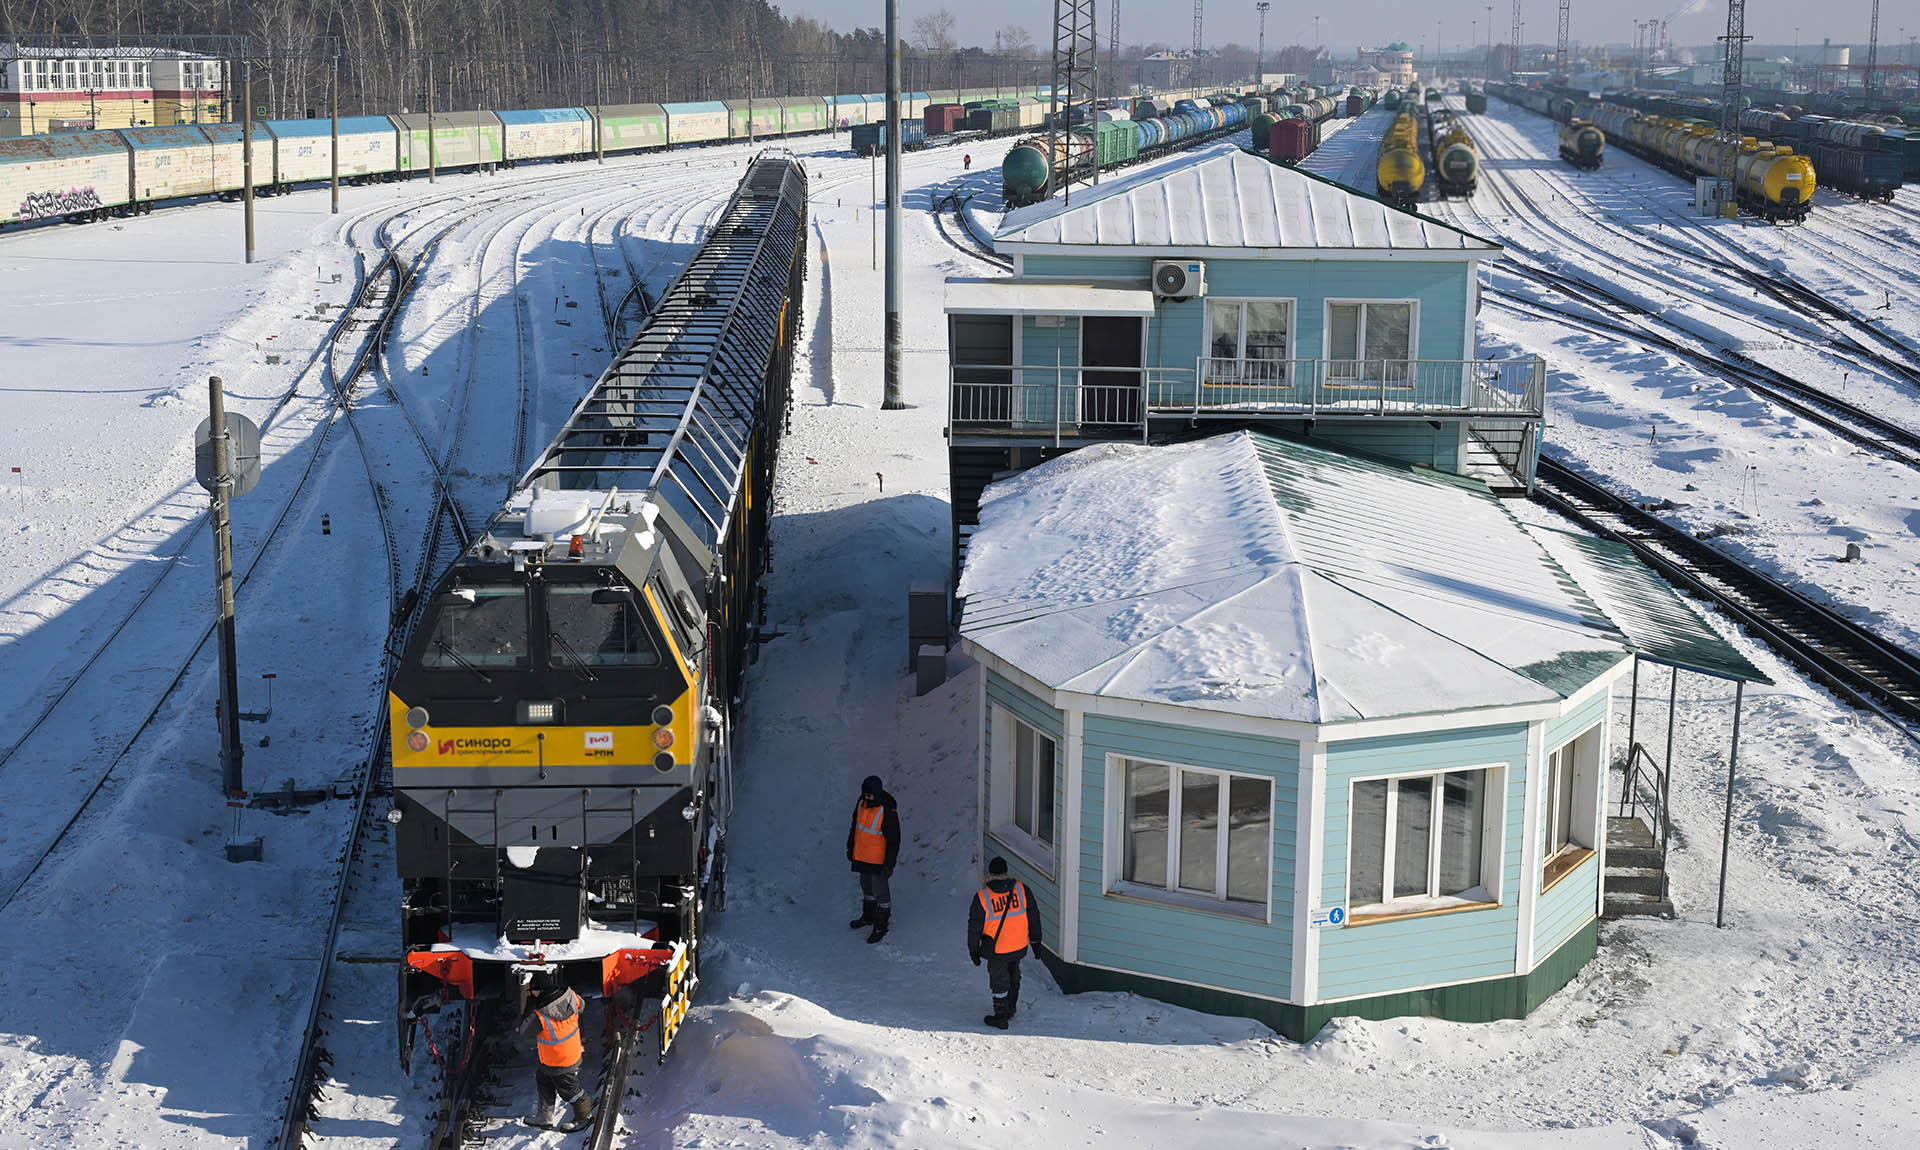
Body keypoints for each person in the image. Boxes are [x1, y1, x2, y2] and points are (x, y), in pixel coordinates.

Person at [968, 856, 1041, 1029]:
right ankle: (1011, 1009)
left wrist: (974, 950)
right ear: (1006, 872)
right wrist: (1036, 942)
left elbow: (974, 927)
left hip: (997, 948)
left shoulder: (982, 897)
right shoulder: (1022, 890)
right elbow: (1034, 917)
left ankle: (1001, 1016)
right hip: (1018, 945)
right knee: (1014, 975)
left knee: (999, 980)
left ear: (991, 874)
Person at [519, 975, 593, 1131]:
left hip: (558, 1061)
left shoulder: (540, 1015)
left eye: (533, 991)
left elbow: (524, 1030)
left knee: (570, 1091)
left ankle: (584, 1117)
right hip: (568, 1052)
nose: (532, 994)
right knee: (543, 1080)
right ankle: (544, 1118)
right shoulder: (571, 996)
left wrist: (528, 1005)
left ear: (539, 990)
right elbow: (582, 1005)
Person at [846, 774, 900, 943]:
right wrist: (850, 847)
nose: (867, 798)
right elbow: (855, 826)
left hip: (878, 861)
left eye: (870, 795)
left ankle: (881, 925)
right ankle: (868, 917)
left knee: (880, 892)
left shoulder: (887, 809)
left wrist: (889, 864)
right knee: (866, 886)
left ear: (877, 793)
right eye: (865, 795)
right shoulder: (861, 802)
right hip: (862, 856)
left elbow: (894, 840)